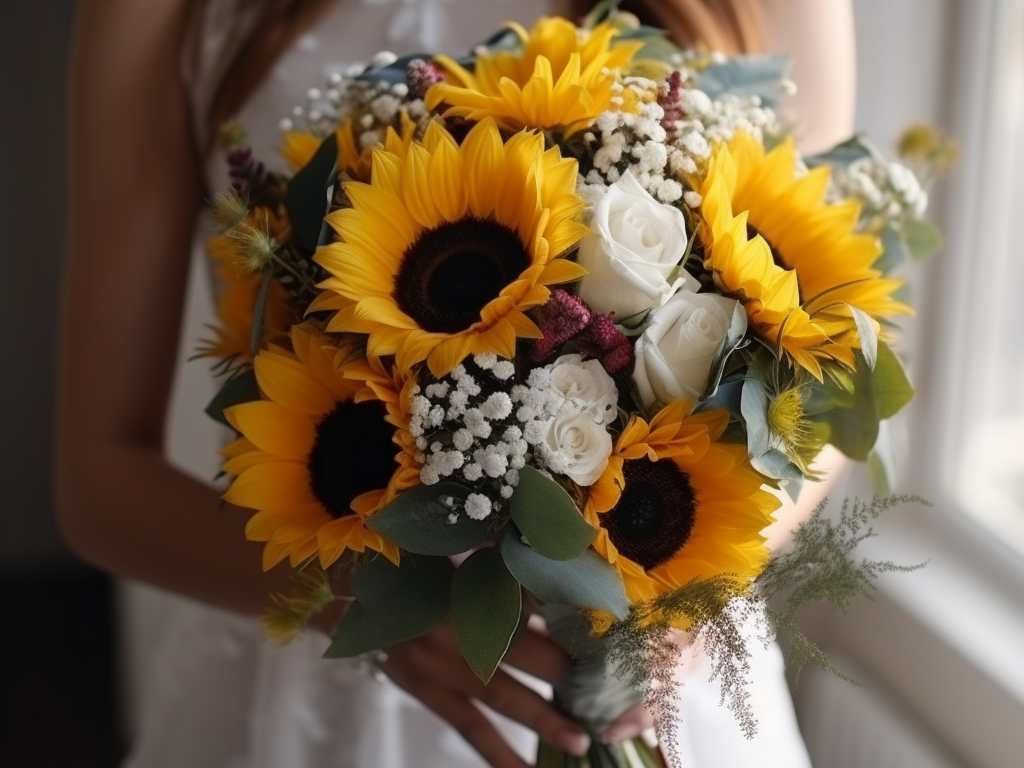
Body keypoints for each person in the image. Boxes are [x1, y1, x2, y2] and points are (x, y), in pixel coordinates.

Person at [55, 1, 855, 766]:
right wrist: (361, 601)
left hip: (662, 663)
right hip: (324, 679)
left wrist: (686, 573)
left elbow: (827, 378)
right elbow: (99, 481)